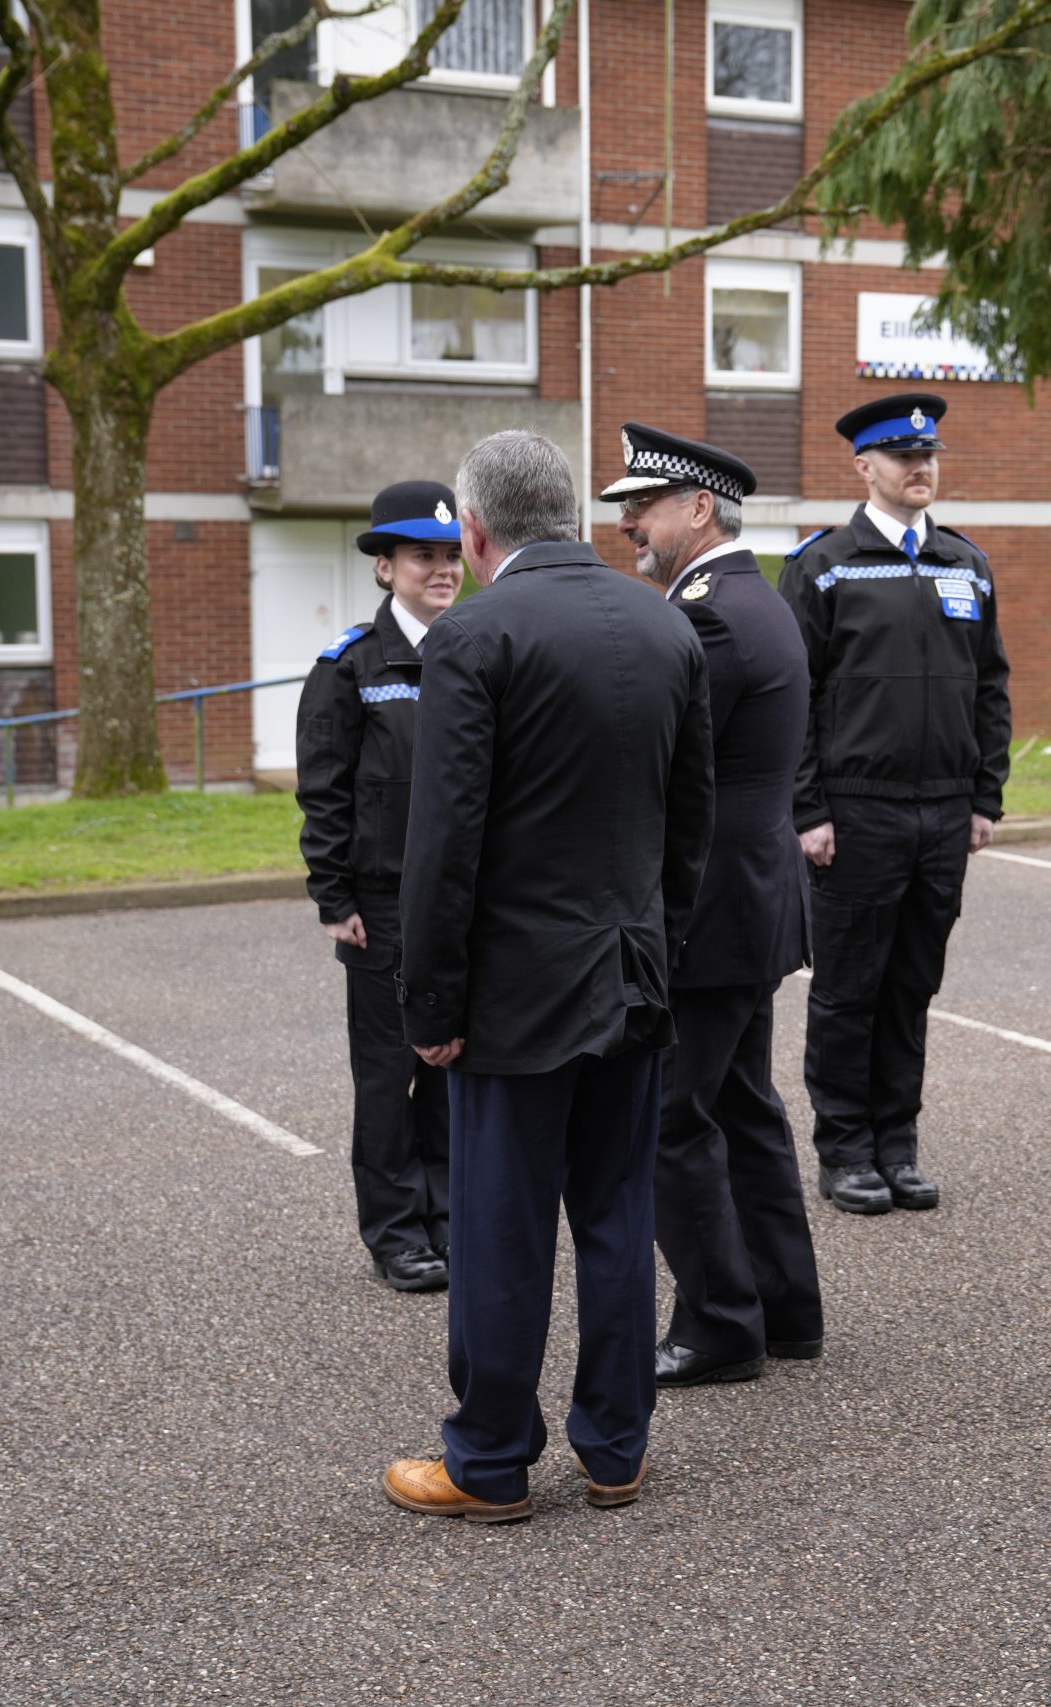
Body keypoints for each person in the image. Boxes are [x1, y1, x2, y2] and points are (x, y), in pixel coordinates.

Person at [383, 430, 714, 1523]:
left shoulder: (472, 636)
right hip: (631, 976)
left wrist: (431, 1004)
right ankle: (616, 1447)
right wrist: (658, 948)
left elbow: (444, 844)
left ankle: (488, 1460)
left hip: (513, 994)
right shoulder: (666, 624)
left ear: (475, 530)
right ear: (568, 513)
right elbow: (690, 825)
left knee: (501, 1228)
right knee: (617, 1216)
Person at [603, 424, 824, 1385]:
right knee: (741, 1106)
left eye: (641, 506)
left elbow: (654, 760)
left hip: (709, 911)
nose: (627, 525)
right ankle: (784, 1306)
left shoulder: (712, 617)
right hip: (746, 902)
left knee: (671, 1119)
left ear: (699, 508)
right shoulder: (748, 598)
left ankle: (722, 1322)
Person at [781, 392, 1013, 1217]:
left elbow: (990, 686)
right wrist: (808, 809)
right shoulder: (824, 564)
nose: (921, 468)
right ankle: (846, 1149)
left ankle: (897, 1143)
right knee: (850, 987)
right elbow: (795, 695)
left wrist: (985, 794)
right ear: (864, 466)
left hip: (943, 811)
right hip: (857, 811)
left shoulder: (965, 563)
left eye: (928, 456)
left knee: (912, 983)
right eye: (903, 456)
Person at [293, 479, 462, 1293]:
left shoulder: (477, 649)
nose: (443, 569)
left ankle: (449, 1217)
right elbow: (323, 788)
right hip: (385, 904)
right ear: (385, 567)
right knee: (389, 1073)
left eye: (452, 554)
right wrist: (334, 895)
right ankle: (396, 1231)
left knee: (453, 1066)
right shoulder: (349, 666)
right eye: (423, 555)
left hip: (460, 904)